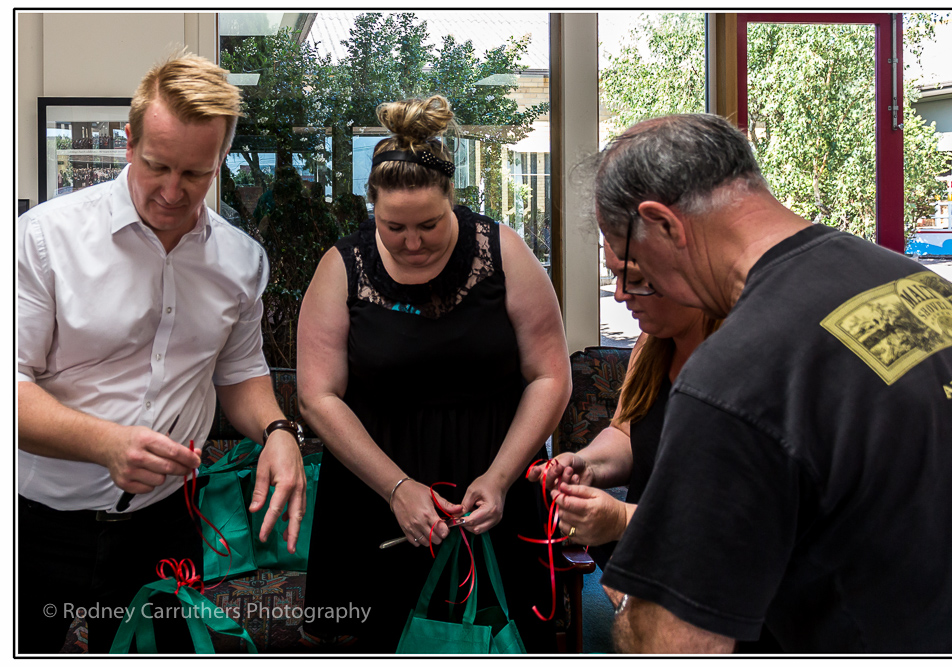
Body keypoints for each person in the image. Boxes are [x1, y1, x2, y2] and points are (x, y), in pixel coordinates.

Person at [590, 113, 952, 654]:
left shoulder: (736, 377)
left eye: (627, 260)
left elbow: (675, 647)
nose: (629, 286)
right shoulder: (923, 288)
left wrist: (635, 599)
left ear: (664, 224)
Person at [17, 51, 308, 654]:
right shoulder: (44, 239)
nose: (173, 192)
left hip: (164, 523)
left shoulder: (241, 260)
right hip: (37, 522)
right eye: (157, 166)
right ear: (128, 143)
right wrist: (104, 442)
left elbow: (241, 374)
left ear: (220, 162)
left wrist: (278, 430)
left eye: (196, 174)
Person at [296, 95, 572, 653]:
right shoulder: (341, 267)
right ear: (370, 204)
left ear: (453, 199)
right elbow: (317, 396)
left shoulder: (503, 252)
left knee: (504, 633)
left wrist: (498, 478)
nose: (413, 242)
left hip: (498, 477)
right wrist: (396, 487)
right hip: (375, 489)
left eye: (429, 223)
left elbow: (549, 376)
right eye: (393, 226)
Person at [531, 240, 718, 573]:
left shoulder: (745, 354)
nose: (618, 295)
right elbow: (626, 431)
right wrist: (587, 464)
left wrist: (622, 520)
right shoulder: (653, 343)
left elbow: (736, 514)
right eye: (615, 276)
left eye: (635, 280)